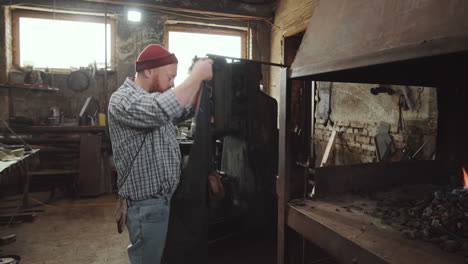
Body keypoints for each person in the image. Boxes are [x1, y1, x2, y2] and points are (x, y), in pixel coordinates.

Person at [108, 44, 213, 264]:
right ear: (149, 71)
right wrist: (195, 76)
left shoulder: (154, 96)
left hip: (164, 200)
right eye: (170, 76)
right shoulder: (123, 100)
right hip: (147, 206)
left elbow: (181, 109)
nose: (173, 82)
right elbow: (159, 110)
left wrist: (199, 85)